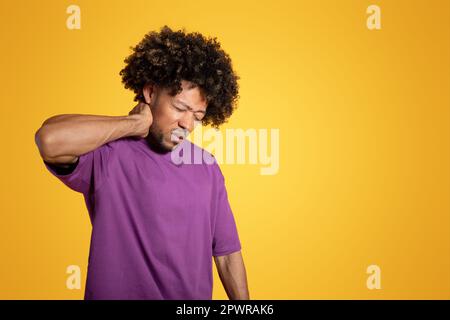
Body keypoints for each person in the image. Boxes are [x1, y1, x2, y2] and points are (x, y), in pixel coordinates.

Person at [34, 26, 249, 300]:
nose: (187, 124)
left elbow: (228, 255)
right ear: (150, 93)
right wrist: (134, 123)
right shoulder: (108, 155)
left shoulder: (207, 166)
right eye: (180, 108)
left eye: (197, 116)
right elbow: (50, 140)